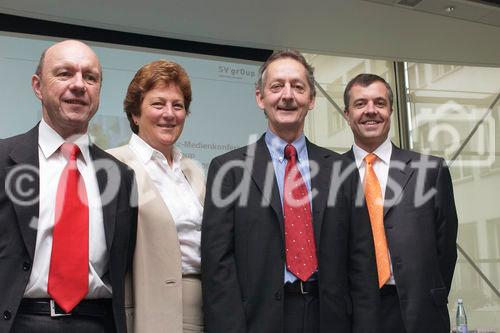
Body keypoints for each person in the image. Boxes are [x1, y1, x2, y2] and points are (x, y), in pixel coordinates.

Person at [201, 50, 376, 333]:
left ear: (311, 99)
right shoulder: (229, 169)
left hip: (330, 319)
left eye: (297, 86)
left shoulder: (342, 170)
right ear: (260, 98)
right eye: (276, 86)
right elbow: (217, 265)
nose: (287, 95)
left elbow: (362, 260)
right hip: (258, 320)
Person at [0, 40, 138, 333]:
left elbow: (122, 263)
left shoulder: (121, 176)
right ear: (38, 86)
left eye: (90, 77)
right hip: (18, 321)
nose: (79, 85)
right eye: (64, 74)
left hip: (96, 322)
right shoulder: (2, 160)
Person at [343, 73, 458, 333]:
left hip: (420, 312)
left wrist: (429, 292)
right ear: (347, 114)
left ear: (391, 110)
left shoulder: (429, 170)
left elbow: (446, 247)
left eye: (379, 103)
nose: (371, 111)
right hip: (353, 313)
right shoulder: (329, 174)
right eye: (360, 104)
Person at [108, 60, 205, 333]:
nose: (169, 114)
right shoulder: (113, 165)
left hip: (202, 312)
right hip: (144, 313)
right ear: (135, 114)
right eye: (158, 104)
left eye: (178, 105)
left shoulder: (194, 170)